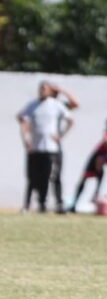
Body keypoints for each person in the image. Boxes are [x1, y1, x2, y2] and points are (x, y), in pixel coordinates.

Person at [17, 81, 78, 213]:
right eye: (41, 89)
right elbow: (22, 119)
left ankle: (58, 205)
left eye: (45, 89)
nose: (42, 91)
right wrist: (26, 138)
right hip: (35, 148)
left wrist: (60, 136)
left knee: (53, 176)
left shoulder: (57, 104)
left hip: (52, 148)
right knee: (33, 178)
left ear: (51, 91)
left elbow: (74, 108)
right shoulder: (32, 105)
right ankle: (33, 204)